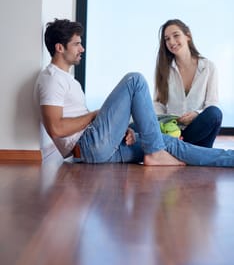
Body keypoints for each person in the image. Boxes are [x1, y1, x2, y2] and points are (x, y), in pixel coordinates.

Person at [34, 18, 234, 167]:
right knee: (135, 80)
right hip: (87, 147)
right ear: (60, 47)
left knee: (171, 144)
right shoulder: (52, 78)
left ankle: (230, 158)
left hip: (99, 150)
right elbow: (56, 129)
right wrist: (94, 115)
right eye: (77, 44)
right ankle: (155, 152)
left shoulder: (69, 80)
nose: (82, 48)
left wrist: (123, 130)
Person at [154, 18, 222, 147]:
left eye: (176, 35)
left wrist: (196, 114)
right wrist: (165, 125)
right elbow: (158, 103)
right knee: (135, 126)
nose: (171, 42)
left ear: (188, 36)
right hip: (173, 132)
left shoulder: (208, 67)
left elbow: (212, 103)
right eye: (167, 39)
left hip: (198, 130)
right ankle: (186, 150)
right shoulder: (164, 70)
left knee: (215, 113)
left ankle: (179, 149)